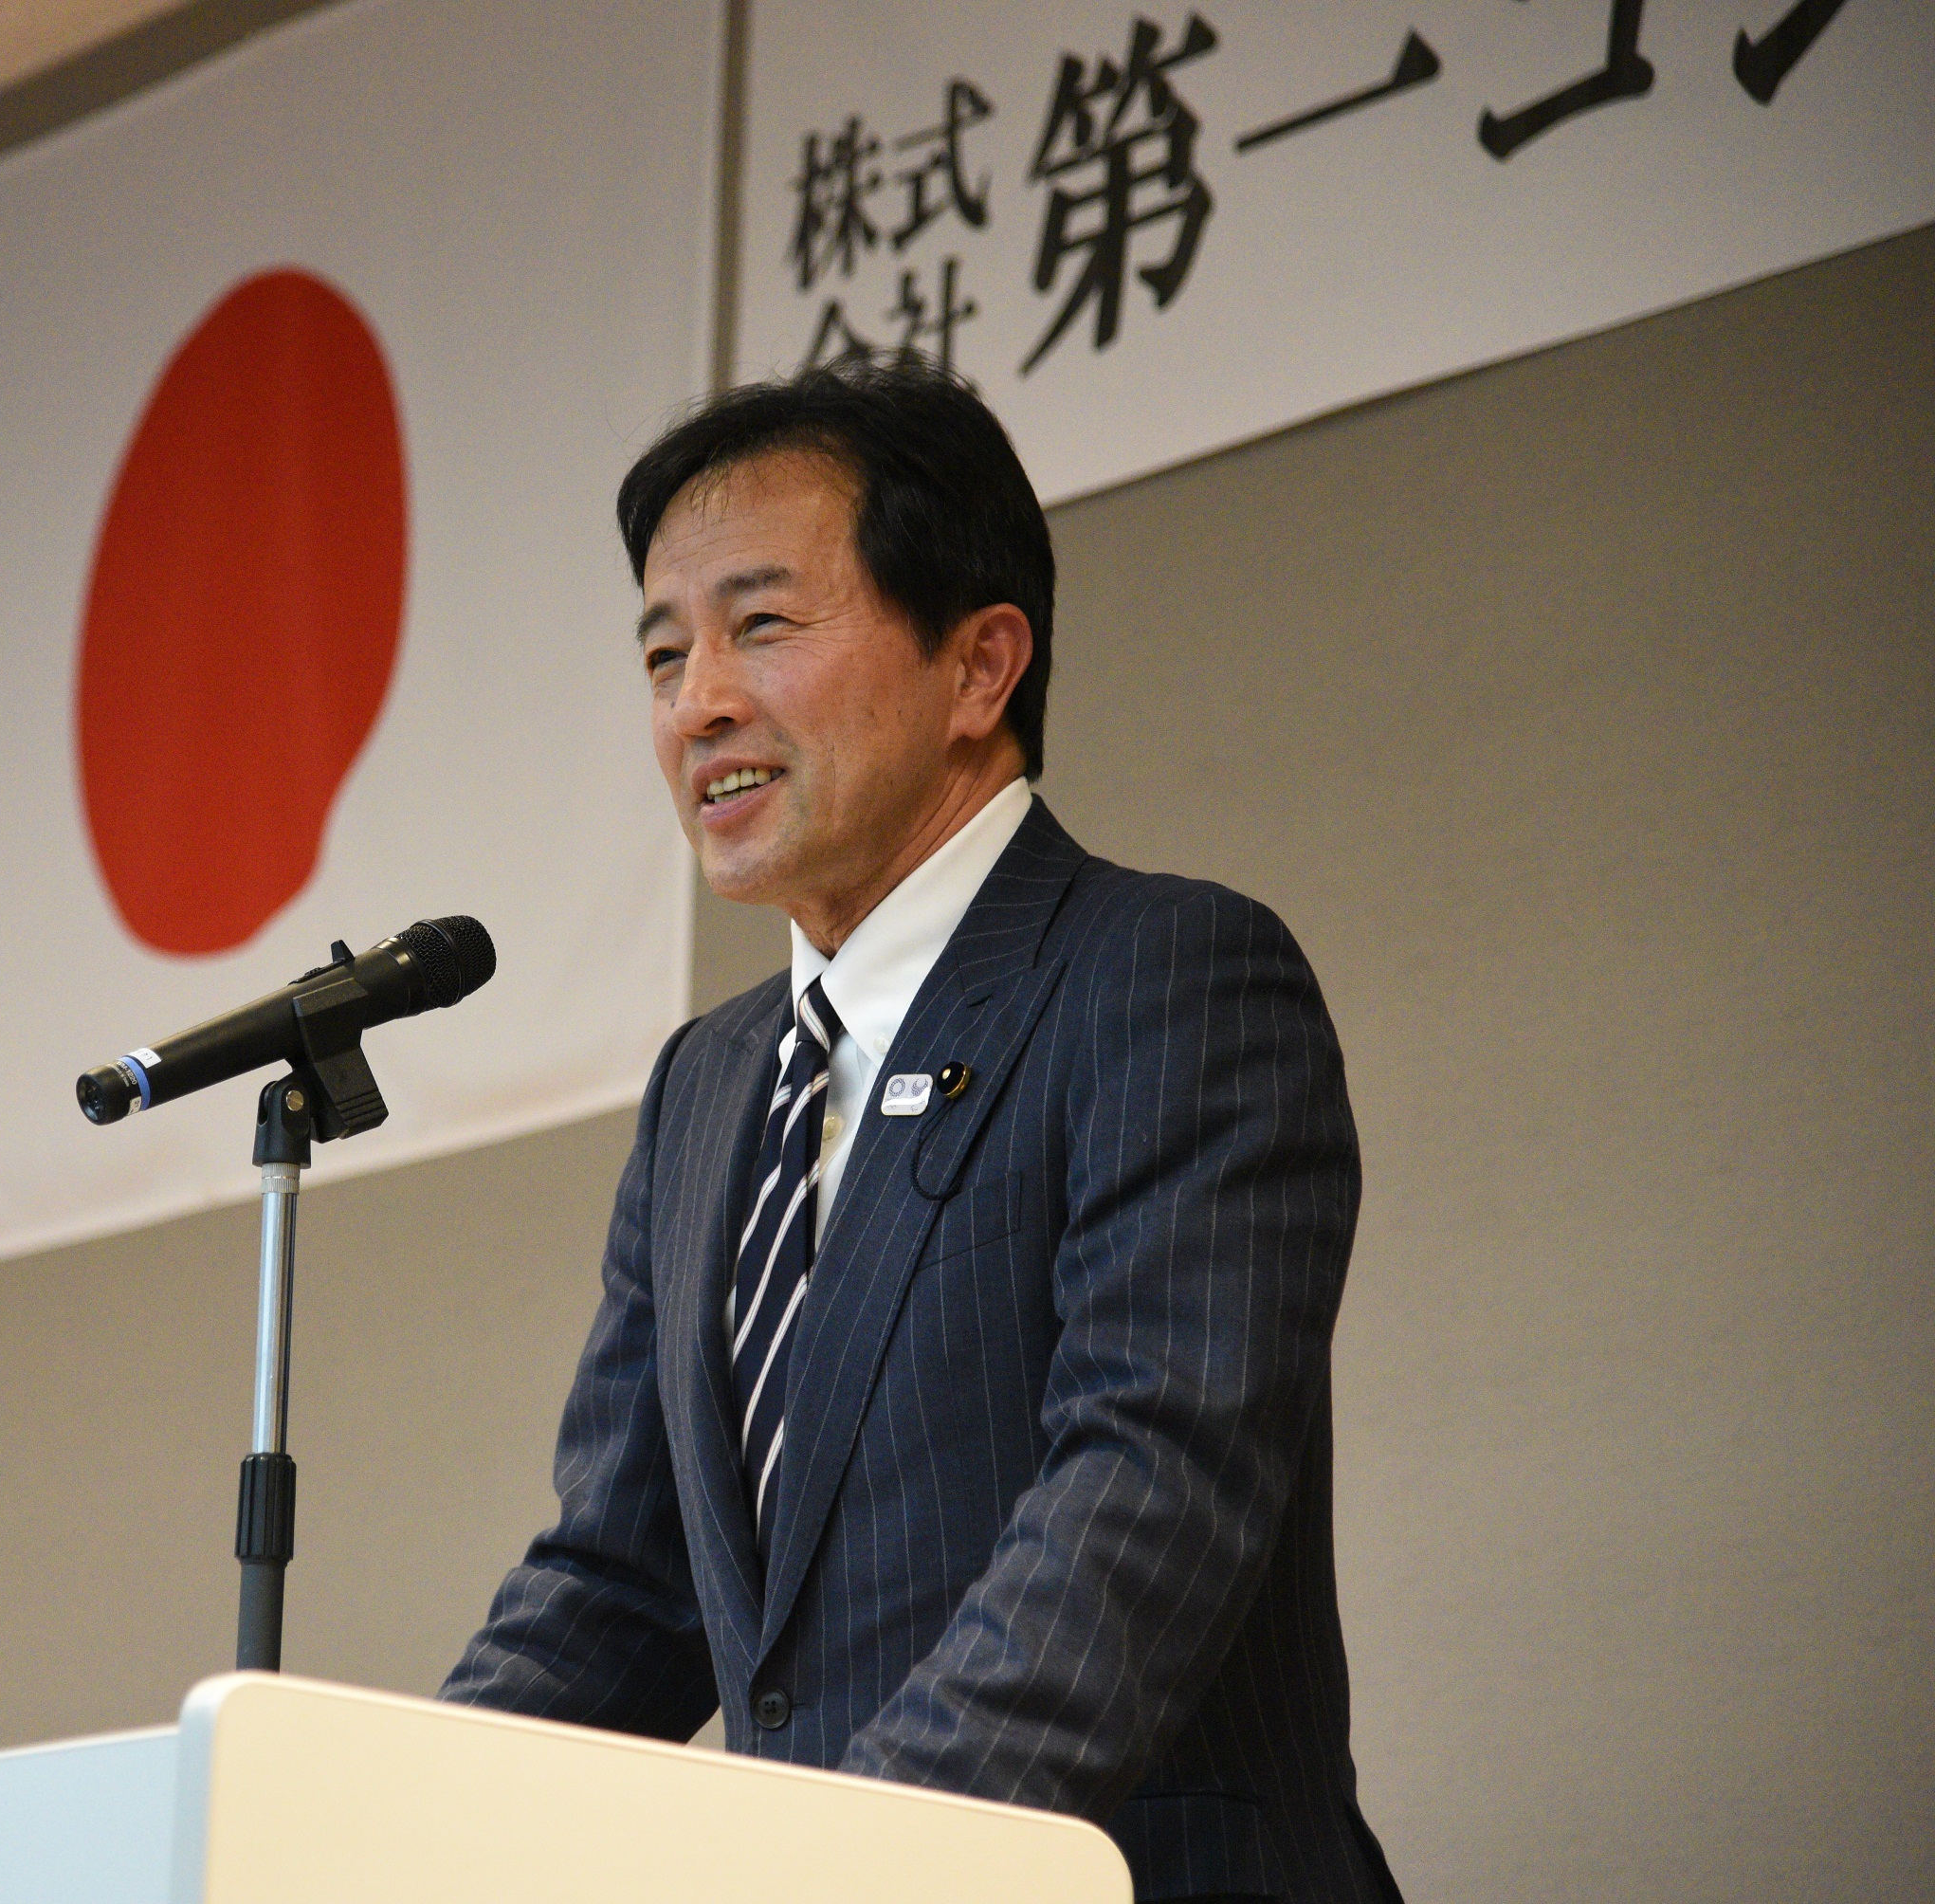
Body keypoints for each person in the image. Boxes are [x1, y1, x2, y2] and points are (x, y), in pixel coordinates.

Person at [441, 357, 1401, 1904]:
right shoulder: (706, 1087)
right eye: (664, 653)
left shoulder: (1167, 976)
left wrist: (856, 1864)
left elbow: (1146, 1487)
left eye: (761, 625)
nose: (697, 704)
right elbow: (621, 1584)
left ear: (979, 667)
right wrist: (366, 1829)